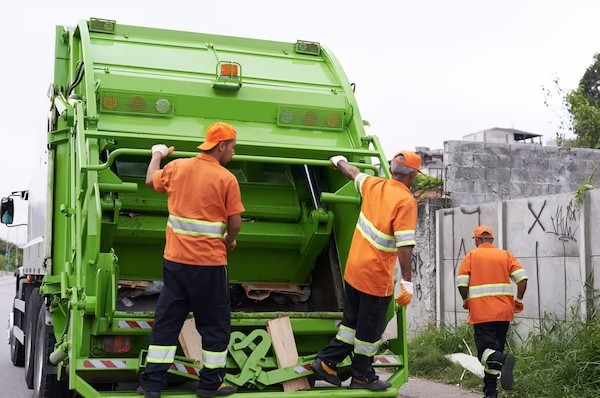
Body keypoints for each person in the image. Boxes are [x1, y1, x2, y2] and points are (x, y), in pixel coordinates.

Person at [138, 122, 244, 398]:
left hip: (175, 263)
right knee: (215, 324)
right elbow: (235, 223)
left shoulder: (178, 167)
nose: (233, 152)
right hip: (209, 267)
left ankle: (151, 385)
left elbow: (150, 180)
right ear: (221, 146)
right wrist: (230, 240)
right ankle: (210, 384)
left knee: (167, 321)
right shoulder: (226, 179)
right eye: (232, 147)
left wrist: (157, 154)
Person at [310, 151, 420, 391]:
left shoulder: (374, 185)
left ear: (392, 170)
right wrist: (407, 282)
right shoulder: (405, 201)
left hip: (354, 270)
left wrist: (338, 161)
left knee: (351, 324)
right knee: (369, 330)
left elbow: (354, 173)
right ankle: (362, 376)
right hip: (375, 276)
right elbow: (405, 246)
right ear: (412, 176)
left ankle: (327, 361)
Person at [456, 225, 528, 398]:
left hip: (482, 313)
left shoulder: (471, 256)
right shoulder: (505, 255)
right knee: (493, 353)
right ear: (491, 239)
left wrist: (466, 301)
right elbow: (522, 279)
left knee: (485, 354)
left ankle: (504, 360)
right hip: (504, 313)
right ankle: (490, 392)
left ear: (477, 240)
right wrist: (518, 300)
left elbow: (462, 283)